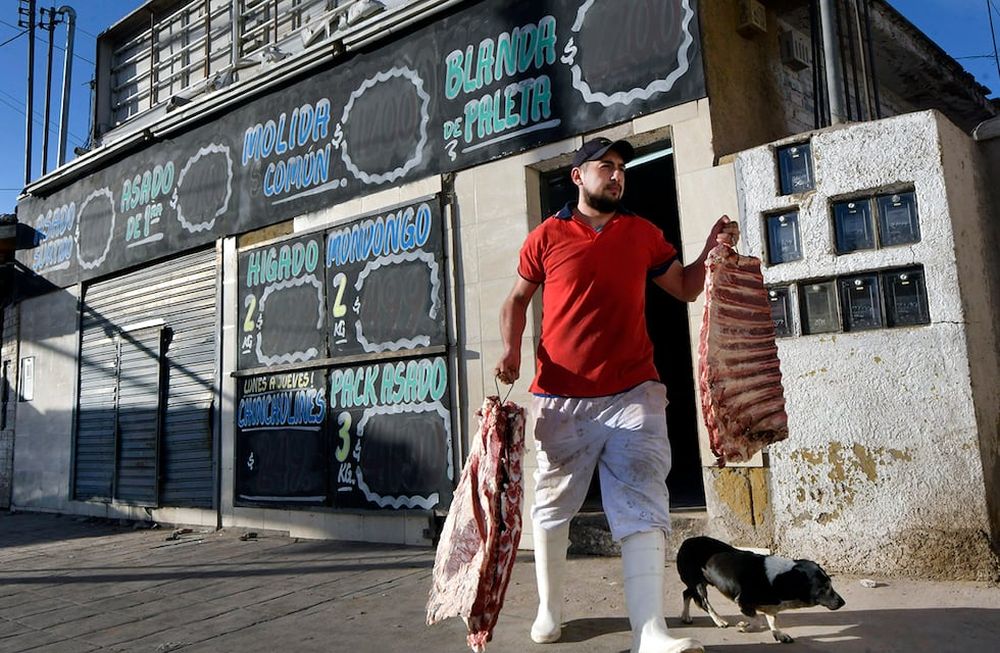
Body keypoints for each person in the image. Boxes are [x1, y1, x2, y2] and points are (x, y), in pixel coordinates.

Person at [494, 137, 738, 653]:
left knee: (644, 495)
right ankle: (549, 609)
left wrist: (711, 248)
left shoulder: (643, 233)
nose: (617, 175)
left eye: (621, 168)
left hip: (634, 391)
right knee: (553, 506)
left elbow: (685, 288)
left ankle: (649, 629)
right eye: (605, 167)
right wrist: (511, 350)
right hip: (562, 397)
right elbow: (516, 300)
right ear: (578, 176)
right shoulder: (546, 237)